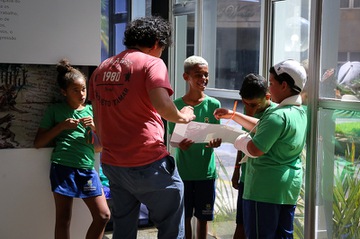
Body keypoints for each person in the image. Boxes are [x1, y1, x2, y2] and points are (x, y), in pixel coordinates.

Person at [88, 16, 196, 239]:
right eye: (162, 49)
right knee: (171, 226)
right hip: (148, 162)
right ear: (157, 42)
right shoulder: (152, 63)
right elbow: (163, 106)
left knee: (124, 228)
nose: (161, 54)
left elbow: (97, 116)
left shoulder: (101, 68)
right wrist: (183, 116)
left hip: (113, 164)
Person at [214, 59, 307, 238]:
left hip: (264, 191)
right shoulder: (299, 112)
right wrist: (234, 115)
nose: (269, 89)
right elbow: (262, 125)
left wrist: (237, 139)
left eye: (271, 84)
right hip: (287, 189)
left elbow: (255, 149)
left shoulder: (277, 116)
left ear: (284, 85)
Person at [34, 59, 110, 239]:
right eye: (75, 90)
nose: (81, 94)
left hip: (86, 169)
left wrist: (95, 128)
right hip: (62, 167)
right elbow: (38, 143)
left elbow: (99, 148)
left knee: (103, 215)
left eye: (83, 89)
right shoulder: (55, 110)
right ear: (64, 92)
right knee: (63, 219)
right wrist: (61, 127)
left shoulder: (92, 111)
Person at [167, 55, 222, 239]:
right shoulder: (176, 106)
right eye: (198, 74)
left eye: (206, 74)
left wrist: (216, 142)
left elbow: (216, 136)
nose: (204, 79)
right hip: (183, 173)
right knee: (186, 216)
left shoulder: (214, 105)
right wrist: (179, 144)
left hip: (206, 173)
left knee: (203, 218)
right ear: (186, 77)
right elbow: (173, 140)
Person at [231, 73, 277, 239]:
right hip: (246, 179)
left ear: (267, 96)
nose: (249, 110)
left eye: (253, 105)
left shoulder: (274, 116)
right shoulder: (248, 109)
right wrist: (237, 169)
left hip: (262, 186)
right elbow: (243, 142)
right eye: (245, 104)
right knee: (241, 224)